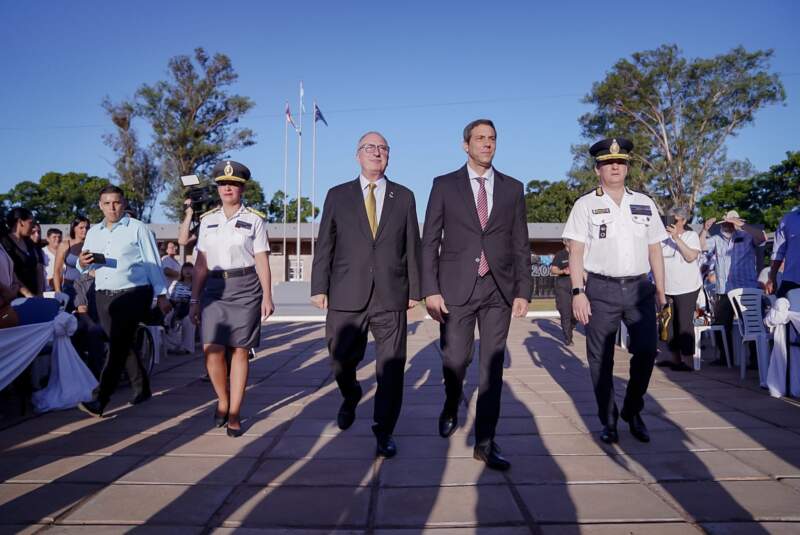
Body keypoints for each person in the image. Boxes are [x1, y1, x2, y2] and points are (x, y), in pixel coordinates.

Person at [421, 119, 531, 471]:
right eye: (480, 139)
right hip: (455, 287)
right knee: (455, 359)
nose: (487, 144)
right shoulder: (443, 185)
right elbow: (429, 242)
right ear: (465, 145)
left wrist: (523, 290)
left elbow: (521, 243)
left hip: (498, 288)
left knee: (492, 368)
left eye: (492, 138)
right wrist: (430, 289)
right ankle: (452, 402)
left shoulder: (513, 188)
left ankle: (485, 440)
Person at [311, 131, 421, 459]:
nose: (377, 152)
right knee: (341, 358)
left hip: (391, 294)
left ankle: (383, 429)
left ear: (389, 156)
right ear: (358, 155)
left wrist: (416, 289)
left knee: (391, 365)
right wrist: (319, 285)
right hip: (346, 292)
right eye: (370, 148)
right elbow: (325, 243)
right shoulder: (337, 195)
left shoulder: (404, 196)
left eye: (383, 148)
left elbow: (412, 245)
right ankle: (350, 393)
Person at [562, 138, 668, 445]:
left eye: (620, 163)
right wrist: (578, 292)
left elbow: (656, 251)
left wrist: (661, 292)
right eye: (608, 164)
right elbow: (577, 252)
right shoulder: (586, 204)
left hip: (639, 290)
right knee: (600, 359)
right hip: (600, 289)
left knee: (647, 351)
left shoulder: (645, 203)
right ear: (598, 170)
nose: (615, 168)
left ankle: (632, 409)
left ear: (627, 168)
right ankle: (608, 420)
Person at [190, 160, 274, 437]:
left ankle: (235, 410)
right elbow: (200, 263)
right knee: (211, 350)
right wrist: (194, 298)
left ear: (242, 188)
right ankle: (222, 399)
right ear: (217, 188)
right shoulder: (207, 220)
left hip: (246, 287)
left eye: (234, 184)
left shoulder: (254, 219)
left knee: (240, 350)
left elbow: (261, 259)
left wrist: (267, 295)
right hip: (214, 289)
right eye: (223, 184)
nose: (228, 188)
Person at [76, 186, 170, 417]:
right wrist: (82, 261)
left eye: (116, 203)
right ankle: (142, 387)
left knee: (117, 348)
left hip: (133, 293)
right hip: (102, 294)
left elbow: (153, 262)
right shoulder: (94, 232)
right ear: (100, 205)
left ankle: (100, 398)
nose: (112, 208)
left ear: (123, 203)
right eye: (107, 203)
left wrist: (162, 295)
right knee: (121, 343)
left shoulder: (137, 228)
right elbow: (83, 266)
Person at [699, 210, 766, 365]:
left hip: (746, 288)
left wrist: (740, 224)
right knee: (721, 324)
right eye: (726, 223)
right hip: (724, 289)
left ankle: (756, 361)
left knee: (751, 323)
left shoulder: (747, 236)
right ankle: (725, 358)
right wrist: (704, 229)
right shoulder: (717, 238)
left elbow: (762, 237)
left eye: (731, 222)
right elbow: (701, 247)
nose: (728, 225)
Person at [657, 207, 702, 371]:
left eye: (674, 220)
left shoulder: (691, 235)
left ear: (683, 221)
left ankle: (688, 361)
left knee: (684, 324)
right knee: (667, 324)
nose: (671, 223)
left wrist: (676, 237)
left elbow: (691, 257)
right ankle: (675, 359)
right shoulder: (662, 238)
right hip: (667, 287)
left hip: (687, 287)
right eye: (669, 219)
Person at [0, 208, 45, 296]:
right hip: (13, 297)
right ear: (20, 222)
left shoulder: (30, 243)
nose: (33, 227)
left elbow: (39, 268)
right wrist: (28, 294)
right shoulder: (5, 243)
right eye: (30, 222)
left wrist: (39, 293)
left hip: (34, 296)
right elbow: (12, 273)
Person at [53, 216, 90, 308]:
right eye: (81, 227)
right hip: (71, 287)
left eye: (87, 227)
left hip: (89, 287)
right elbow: (57, 270)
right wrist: (58, 292)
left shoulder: (93, 245)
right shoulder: (65, 245)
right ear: (74, 228)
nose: (85, 230)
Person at [768, 206, 799, 298]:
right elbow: (778, 252)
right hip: (791, 280)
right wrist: (772, 277)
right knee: (779, 309)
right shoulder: (788, 219)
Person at [550, 240, 577, 346]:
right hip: (563, 286)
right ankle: (568, 338)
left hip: (576, 286)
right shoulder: (560, 255)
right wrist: (563, 271)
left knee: (576, 314)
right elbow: (553, 270)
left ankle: (570, 326)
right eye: (570, 240)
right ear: (565, 242)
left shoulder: (578, 253)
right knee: (565, 312)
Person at [165, 262, 195, 354]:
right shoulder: (176, 283)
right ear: (181, 271)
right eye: (185, 268)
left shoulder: (196, 284)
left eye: (190, 268)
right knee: (167, 318)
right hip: (175, 306)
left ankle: (187, 348)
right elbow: (169, 297)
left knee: (188, 320)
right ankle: (172, 346)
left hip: (189, 308)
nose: (188, 271)